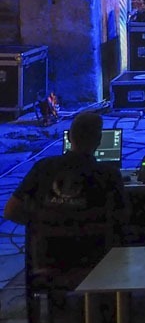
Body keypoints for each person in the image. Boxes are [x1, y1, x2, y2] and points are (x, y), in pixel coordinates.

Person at [3, 110, 126, 266]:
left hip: (47, 261)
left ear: (68, 138)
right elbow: (122, 218)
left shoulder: (43, 167)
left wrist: (39, 227)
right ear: (99, 141)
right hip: (93, 262)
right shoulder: (109, 174)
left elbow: (10, 211)